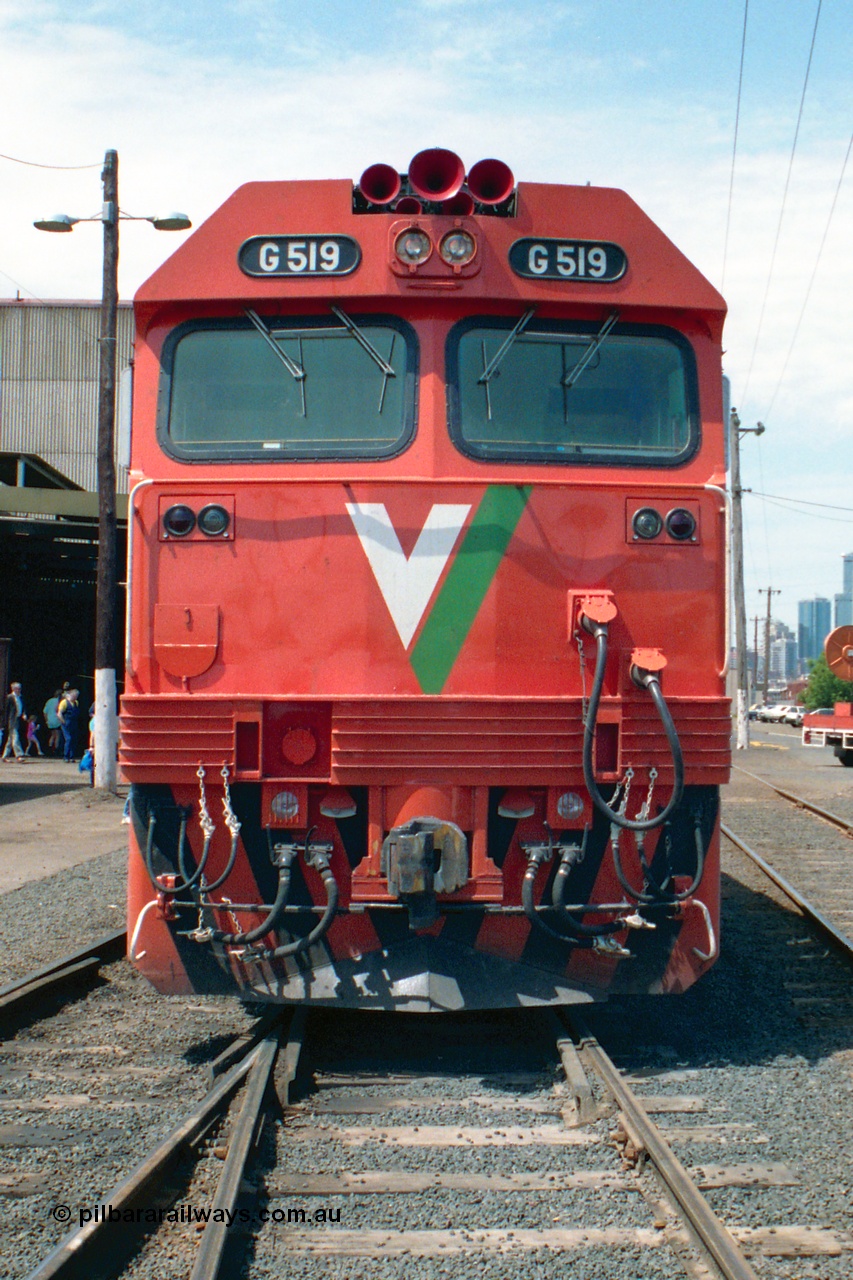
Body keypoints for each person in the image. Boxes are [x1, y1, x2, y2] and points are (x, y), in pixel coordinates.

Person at [2, 682, 26, 761]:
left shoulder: (20, 697)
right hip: (11, 720)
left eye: (20, 688)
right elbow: (6, 710)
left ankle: (5, 756)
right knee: (15, 737)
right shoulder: (9, 697)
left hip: (17, 719)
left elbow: (22, 708)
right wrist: (4, 722)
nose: (19, 690)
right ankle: (19, 755)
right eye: (18, 689)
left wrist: (23, 714)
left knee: (10, 739)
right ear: (13, 689)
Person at [57, 688, 80, 762]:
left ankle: (72, 756)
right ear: (70, 695)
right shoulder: (64, 702)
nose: (75, 697)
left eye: (77, 696)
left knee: (74, 739)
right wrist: (63, 722)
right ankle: (66, 756)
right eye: (74, 695)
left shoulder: (76, 702)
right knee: (69, 739)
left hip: (74, 723)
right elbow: (59, 713)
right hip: (66, 723)